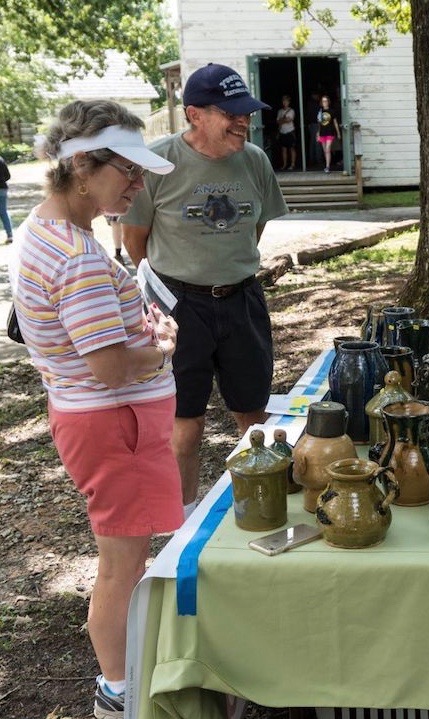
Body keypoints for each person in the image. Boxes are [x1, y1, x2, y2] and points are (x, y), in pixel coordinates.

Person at [9, 100, 181, 719]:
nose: (138, 185)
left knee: (123, 560)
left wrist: (132, 322)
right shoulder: (77, 255)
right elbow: (108, 367)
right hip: (113, 426)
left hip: (97, 422)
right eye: (128, 172)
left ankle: (127, 672)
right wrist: (160, 345)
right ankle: (120, 690)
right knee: (121, 565)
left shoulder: (48, 227)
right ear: (82, 164)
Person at [121, 63, 288, 518]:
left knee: (254, 415)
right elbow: (134, 242)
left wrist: (226, 269)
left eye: (246, 112)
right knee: (185, 426)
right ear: (194, 114)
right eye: (229, 112)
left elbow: (256, 226)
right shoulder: (156, 163)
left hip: (241, 301)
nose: (242, 121)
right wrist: (167, 296)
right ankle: (182, 524)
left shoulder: (254, 159)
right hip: (179, 308)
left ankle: (263, 508)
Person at [316, 94, 340, 173]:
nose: (324, 103)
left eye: (326, 101)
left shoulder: (332, 111)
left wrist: (338, 133)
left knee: (327, 149)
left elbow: (335, 122)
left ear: (328, 102)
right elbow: (319, 123)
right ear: (321, 103)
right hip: (322, 133)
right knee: (325, 150)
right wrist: (318, 133)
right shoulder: (320, 111)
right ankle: (327, 165)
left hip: (330, 132)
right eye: (323, 101)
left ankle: (327, 166)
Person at [276, 94, 297, 171]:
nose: (285, 102)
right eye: (283, 101)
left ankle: (292, 164)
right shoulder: (280, 111)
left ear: (289, 102)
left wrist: (282, 120)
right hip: (282, 132)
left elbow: (290, 120)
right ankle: (284, 164)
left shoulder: (291, 111)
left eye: (286, 101)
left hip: (290, 131)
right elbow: (278, 121)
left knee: (292, 148)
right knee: (283, 149)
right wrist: (284, 120)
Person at [0, 154, 13, 242]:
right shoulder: (1, 159)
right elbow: (8, 176)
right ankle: (10, 235)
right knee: (3, 212)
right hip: (3, 188)